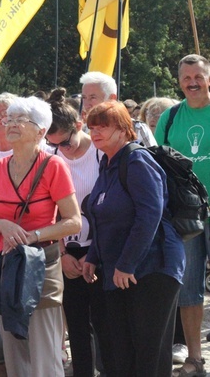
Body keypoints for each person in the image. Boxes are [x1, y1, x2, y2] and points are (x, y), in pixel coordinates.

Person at [0, 96, 81, 377]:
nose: (10, 124)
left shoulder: (54, 166)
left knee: (45, 354)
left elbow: (74, 221)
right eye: (9, 119)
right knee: (15, 357)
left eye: (19, 120)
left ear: (40, 131)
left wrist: (33, 235)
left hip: (42, 267)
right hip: (6, 267)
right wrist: (4, 226)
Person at [83, 101, 185, 377]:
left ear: (123, 129)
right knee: (123, 350)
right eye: (92, 127)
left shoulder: (137, 160)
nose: (95, 133)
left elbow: (149, 216)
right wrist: (92, 258)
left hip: (153, 268)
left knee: (149, 353)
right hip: (121, 270)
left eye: (103, 126)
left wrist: (126, 264)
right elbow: (102, 215)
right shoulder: (107, 162)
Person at [45, 88, 115, 377]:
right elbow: (48, 210)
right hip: (68, 252)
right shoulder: (51, 157)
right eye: (56, 145)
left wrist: (94, 255)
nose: (65, 149)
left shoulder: (102, 153)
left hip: (103, 249)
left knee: (106, 324)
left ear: (78, 125)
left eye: (67, 142)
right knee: (76, 325)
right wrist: (61, 253)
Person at [154, 54, 210, 377]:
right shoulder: (171, 117)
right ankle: (195, 358)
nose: (192, 82)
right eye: (186, 78)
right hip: (185, 218)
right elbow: (158, 164)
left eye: (198, 77)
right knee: (189, 290)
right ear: (179, 82)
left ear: (207, 78)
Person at [79, 71, 156, 147]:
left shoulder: (137, 128)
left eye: (93, 97)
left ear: (112, 98)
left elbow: (152, 158)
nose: (86, 104)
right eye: (84, 97)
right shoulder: (83, 130)